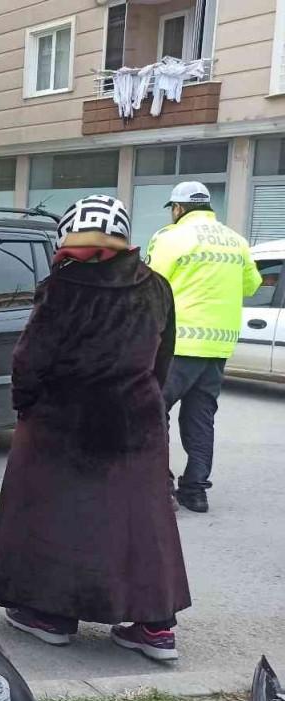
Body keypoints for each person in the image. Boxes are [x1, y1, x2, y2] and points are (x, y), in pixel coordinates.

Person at [0, 195, 191, 662]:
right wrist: (146, 404)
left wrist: (25, 405)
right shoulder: (157, 287)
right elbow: (163, 357)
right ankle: (155, 627)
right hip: (135, 424)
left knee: (55, 519)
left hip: (62, 427)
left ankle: (52, 616)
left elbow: (30, 359)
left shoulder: (62, 287)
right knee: (142, 523)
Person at [146, 182, 262, 513]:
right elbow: (252, 285)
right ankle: (196, 491)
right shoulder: (236, 241)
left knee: (154, 411)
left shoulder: (170, 237)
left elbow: (150, 283)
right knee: (201, 417)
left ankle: (161, 486)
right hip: (217, 348)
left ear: (178, 208)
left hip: (179, 344)